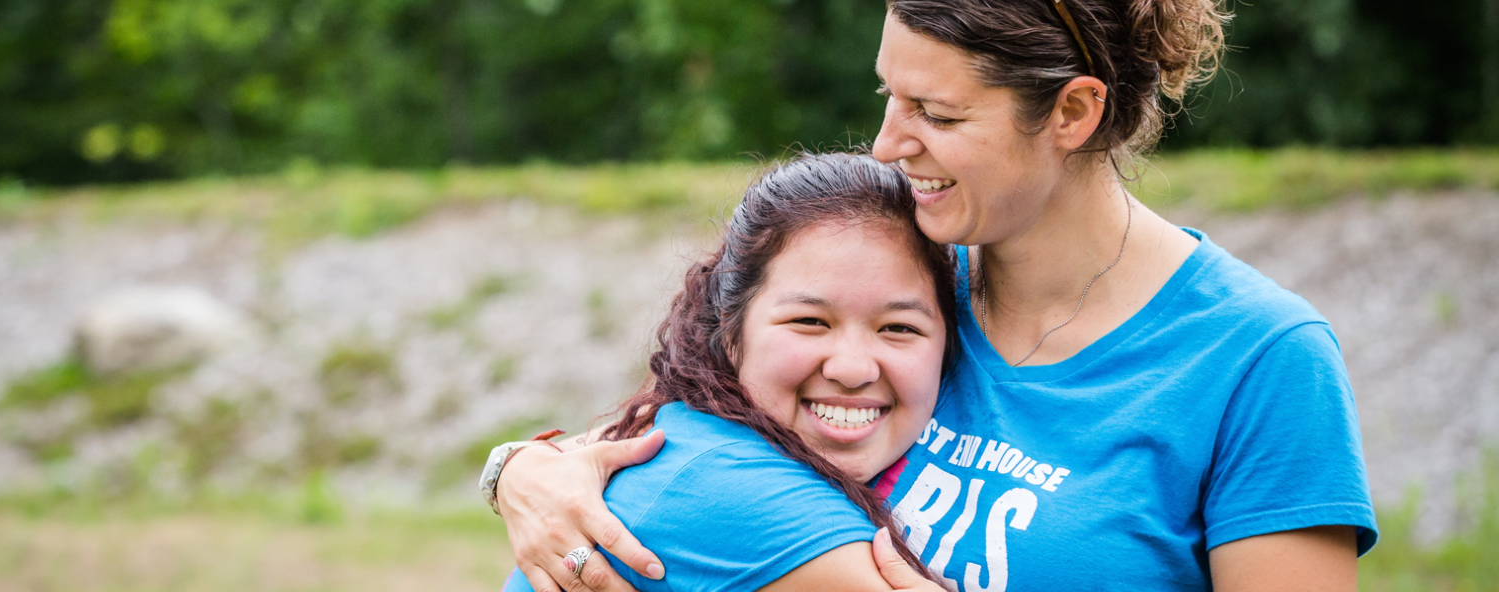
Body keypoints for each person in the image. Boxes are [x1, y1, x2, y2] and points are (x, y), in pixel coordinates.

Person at [489, 1, 1378, 591]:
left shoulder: (1259, 359)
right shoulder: (898, 285)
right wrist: (518, 472)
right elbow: (684, 432)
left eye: (937, 115)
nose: (885, 145)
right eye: (889, 96)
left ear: (1072, 113)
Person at [491, 153, 960, 591]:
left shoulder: (691, 432)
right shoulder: (733, 489)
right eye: (810, 322)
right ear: (730, 332)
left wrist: (512, 466)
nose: (853, 369)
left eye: (898, 327)